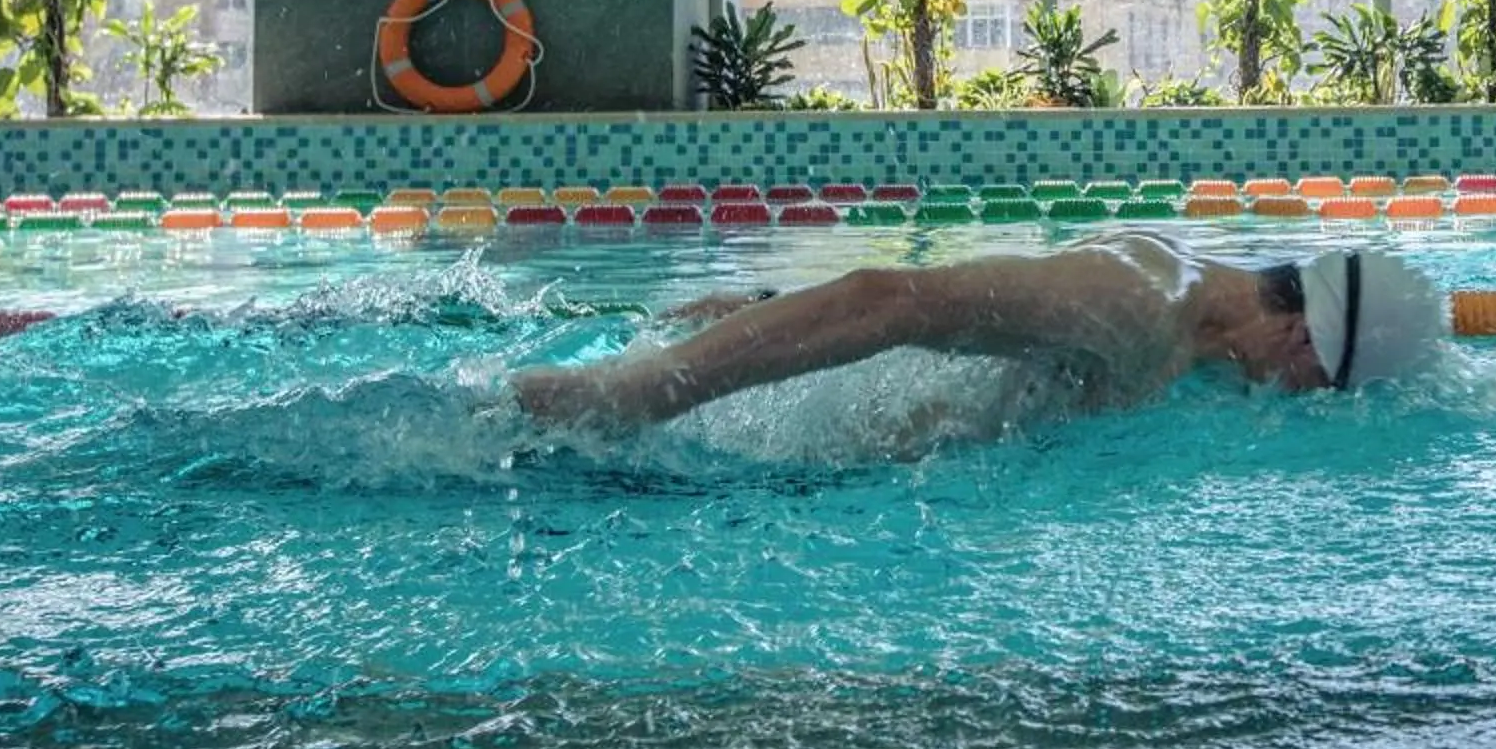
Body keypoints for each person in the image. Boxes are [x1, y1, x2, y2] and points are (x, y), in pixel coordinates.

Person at [508, 231, 1447, 431]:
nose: (1293, 399)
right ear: (1305, 347)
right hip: (749, 442)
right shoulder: (1141, 303)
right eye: (1320, 389)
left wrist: (757, 311)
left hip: (850, 431)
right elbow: (897, 298)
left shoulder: (1194, 331)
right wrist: (646, 389)